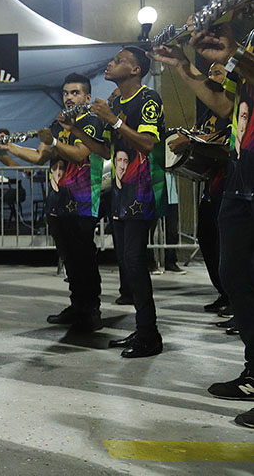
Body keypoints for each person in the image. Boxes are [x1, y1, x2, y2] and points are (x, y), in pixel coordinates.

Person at [150, 0, 254, 426]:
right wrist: (186, 68)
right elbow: (227, 107)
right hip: (242, 169)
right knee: (236, 275)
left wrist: (234, 52)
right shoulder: (246, 34)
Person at [68, 47, 166, 358]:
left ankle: (150, 334)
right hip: (122, 192)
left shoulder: (148, 98)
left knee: (136, 263)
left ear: (136, 70)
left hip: (143, 190)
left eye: (120, 60)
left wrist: (111, 120)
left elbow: (149, 143)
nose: (112, 64)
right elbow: (105, 152)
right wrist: (75, 131)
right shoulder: (116, 102)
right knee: (126, 262)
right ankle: (142, 329)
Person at [0, 74, 106, 331]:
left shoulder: (91, 122)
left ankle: (91, 310)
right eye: (66, 92)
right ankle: (77, 305)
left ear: (87, 97)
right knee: (68, 258)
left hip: (83, 200)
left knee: (84, 258)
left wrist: (54, 142)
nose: (69, 97)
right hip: (58, 202)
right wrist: (8, 147)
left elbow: (80, 155)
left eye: (75, 92)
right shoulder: (58, 124)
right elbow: (38, 157)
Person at [165, 62, 231, 313]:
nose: (212, 78)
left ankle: (239, 301)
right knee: (208, 239)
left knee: (230, 247)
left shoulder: (233, 109)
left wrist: (192, 142)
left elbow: (226, 142)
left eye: (219, 73)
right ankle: (225, 293)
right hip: (212, 185)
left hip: (231, 183)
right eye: (211, 73)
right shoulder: (210, 112)